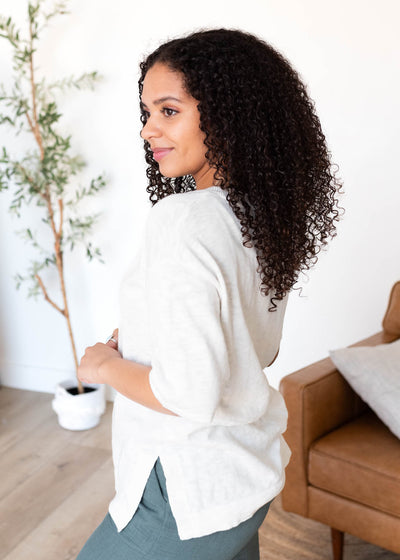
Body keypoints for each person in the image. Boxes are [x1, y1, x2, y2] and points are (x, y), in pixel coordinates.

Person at [76, 28, 341, 560]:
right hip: (245, 477)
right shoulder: (261, 215)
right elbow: (256, 349)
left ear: (226, 113)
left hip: (184, 490)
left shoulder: (185, 220)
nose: (150, 129)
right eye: (148, 112)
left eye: (169, 110)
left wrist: (100, 367)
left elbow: (190, 395)